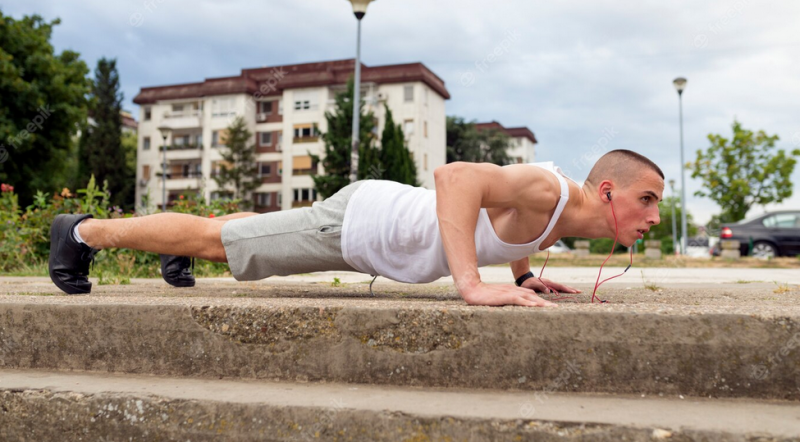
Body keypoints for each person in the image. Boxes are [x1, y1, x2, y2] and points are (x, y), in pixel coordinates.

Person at [49, 149, 663, 307]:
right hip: (364, 228)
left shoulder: (563, 212)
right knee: (220, 241)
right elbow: (455, 178)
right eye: (648, 199)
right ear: (608, 192)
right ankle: (81, 233)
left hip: (372, 223)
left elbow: (505, 224)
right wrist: (470, 284)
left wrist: (525, 276)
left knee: (245, 230)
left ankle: (173, 253)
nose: (655, 217)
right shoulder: (549, 187)